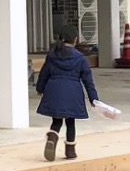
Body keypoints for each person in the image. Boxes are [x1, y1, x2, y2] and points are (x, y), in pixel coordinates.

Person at [34, 26, 101, 161]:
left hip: (54, 89)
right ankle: (70, 151)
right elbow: (88, 80)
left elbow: (44, 74)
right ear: (75, 40)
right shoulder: (80, 58)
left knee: (56, 120)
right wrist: (93, 98)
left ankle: (52, 137)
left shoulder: (52, 55)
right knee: (70, 122)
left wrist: (40, 89)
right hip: (73, 91)